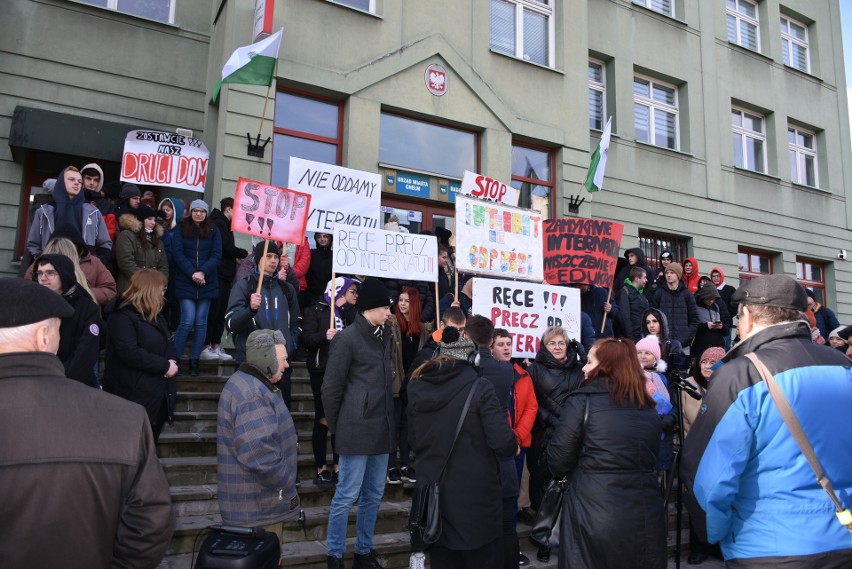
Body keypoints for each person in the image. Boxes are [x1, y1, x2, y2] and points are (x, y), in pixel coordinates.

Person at [0, 277, 175, 568]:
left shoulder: (127, 418)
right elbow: (150, 524)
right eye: (59, 330)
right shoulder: (125, 419)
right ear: (44, 336)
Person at [682, 275, 852, 568]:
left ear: (747, 316)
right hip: (844, 537)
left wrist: (718, 535)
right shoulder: (844, 366)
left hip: (767, 546)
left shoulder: (740, 374)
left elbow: (708, 480)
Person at [547, 338, 667, 569]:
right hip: (644, 512)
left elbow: (558, 460)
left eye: (589, 361)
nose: (583, 367)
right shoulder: (649, 408)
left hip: (591, 511)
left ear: (605, 365)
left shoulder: (582, 401)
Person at [407, 327, 518, 568]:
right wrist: (514, 446)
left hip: (434, 499)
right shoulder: (481, 387)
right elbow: (503, 442)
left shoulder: (416, 387)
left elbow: (413, 441)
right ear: (473, 360)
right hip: (475, 502)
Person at [321, 278, 395, 569]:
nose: (389, 312)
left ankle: (364, 551)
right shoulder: (348, 338)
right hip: (356, 427)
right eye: (385, 307)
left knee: (374, 494)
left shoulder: (385, 333)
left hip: (382, 425)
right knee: (347, 494)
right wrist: (338, 427)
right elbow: (331, 387)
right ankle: (335, 554)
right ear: (370, 308)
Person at [217, 329, 301, 537]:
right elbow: (260, 455)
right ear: (267, 359)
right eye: (282, 359)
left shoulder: (251, 384)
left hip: (256, 506)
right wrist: (288, 481)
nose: (287, 365)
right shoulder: (253, 394)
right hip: (257, 511)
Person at [526, 326, 585, 561]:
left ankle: (568, 538)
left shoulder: (579, 368)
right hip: (546, 436)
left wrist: (586, 353)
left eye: (562, 343)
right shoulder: (535, 369)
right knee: (544, 488)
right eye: (553, 343)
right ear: (545, 346)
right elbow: (531, 402)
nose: (558, 347)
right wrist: (552, 419)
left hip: (574, 436)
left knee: (571, 490)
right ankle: (544, 540)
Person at [466, 316, 520, 568]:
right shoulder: (503, 369)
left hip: (480, 456)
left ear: (466, 336)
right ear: (490, 341)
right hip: (501, 452)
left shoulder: (467, 369)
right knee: (506, 524)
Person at [104, 269, 178, 442]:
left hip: (156, 396)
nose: (163, 293)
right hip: (131, 397)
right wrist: (164, 365)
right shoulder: (121, 316)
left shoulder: (156, 317)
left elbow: (168, 344)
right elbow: (128, 351)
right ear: (150, 290)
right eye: (162, 289)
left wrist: (172, 360)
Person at [301, 276, 360, 488]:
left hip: (343, 371)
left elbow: (359, 330)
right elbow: (305, 339)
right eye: (352, 291)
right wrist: (323, 336)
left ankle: (337, 465)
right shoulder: (316, 310)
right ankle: (321, 468)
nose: (356, 295)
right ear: (340, 291)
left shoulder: (348, 313)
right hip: (321, 370)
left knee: (340, 419)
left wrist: (347, 310)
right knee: (324, 419)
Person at [226, 241, 300, 408]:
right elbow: (230, 324)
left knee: (281, 419)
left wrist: (291, 344)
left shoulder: (287, 289)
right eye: (268, 256)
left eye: (276, 256)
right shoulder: (244, 286)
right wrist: (249, 310)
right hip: (252, 366)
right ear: (258, 260)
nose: (273, 260)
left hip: (281, 366)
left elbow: (296, 322)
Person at [33, 253, 102, 388]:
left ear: (64, 274)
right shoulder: (34, 302)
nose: (43, 278)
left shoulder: (86, 307)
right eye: (39, 273)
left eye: (50, 273)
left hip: (71, 384)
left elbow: (85, 353)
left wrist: (61, 379)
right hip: (36, 381)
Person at [171, 199, 222, 375]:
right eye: (195, 210)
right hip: (186, 281)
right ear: (190, 212)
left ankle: (195, 361)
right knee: (187, 320)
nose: (198, 214)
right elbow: (178, 253)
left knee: (201, 322)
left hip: (207, 282)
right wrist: (193, 273)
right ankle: (175, 358)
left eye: (202, 211)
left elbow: (217, 255)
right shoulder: (181, 227)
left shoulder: (214, 230)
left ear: (206, 213)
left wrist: (203, 273)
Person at [387, 286, 431, 485]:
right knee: (393, 426)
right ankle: (390, 467)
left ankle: (404, 465)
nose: (402, 304)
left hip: (412, 384)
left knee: (407, 426)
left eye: (406, 301)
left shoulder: (421, 329)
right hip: (396, 383)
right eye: (400, 300)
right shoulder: (391, 323)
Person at [27, 166, 112, 265]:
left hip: (83, 271)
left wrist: (95, 264)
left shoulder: (93, 212)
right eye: (71, 179)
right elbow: (33, 244)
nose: (76, 183)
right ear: (61, 182)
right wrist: (43, 262)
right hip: (51, 269)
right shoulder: (43, 212)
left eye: (80, 181)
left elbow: (105, 244)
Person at [201, 198, 248, 361]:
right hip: (218, 274)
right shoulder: (218, 223)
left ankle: (215, 344)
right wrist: (243, 253)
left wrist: (235, 257)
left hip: (225, 274)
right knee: (214, 311)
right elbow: (225, 247)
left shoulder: (224, 224)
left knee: (221, 311)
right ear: (228, 209)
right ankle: (206, 345)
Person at [24, 225, 116, 307]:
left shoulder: (93, 262)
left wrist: (84, 292)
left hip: (84, 313)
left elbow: (110, 290)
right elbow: (27, 286)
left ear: (77, 247)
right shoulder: (42, 261)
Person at [635, 337, 676, 475]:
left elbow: (674, 405)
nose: (642, 356)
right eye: (639, 352)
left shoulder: (663, 379)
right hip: (640, 435)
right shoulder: (630, 377)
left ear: (655, 358)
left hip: (662, 433)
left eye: (647, 353)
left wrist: (670, 418)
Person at [114, 204, 169, 296]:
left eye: (154, 220)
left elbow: (163, 266)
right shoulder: (126, 235)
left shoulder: (157, 241)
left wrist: (160, 283)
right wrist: (146, 281)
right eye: (149, 219)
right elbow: (126, 263)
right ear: (140, 219)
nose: (153, 223)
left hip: (153, 292)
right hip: (130, 289)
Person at [650, 262, 699, 354]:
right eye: (667, 273)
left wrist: (688, 336)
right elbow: (653, 316)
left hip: (683, 343)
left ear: (678, 275)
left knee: (681, 368)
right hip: (662, 342)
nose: (668, 275)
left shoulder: (687, 294)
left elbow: (694, 318)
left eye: (672, 273)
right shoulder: (659, 293)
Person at [691, 284, 731, 362]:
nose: (711, 301)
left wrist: (721, 326)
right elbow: (692, 327)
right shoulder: (695, 307)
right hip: (701, 347)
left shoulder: (717, 307)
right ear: (703, 297)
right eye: (709, 299)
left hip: (717, 346)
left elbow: (726, 329)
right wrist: (706, 326)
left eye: (713, 299)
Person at [617, 266, 650, 341]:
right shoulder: (625, 292)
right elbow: (624, 317)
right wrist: (631, 338)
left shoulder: (641, 294)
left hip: (642, 336)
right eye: (644, 278)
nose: (646, 280)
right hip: (633, 338)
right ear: (637, 279)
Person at [306, 232, 334, 307]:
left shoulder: (335, 256)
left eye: (325, 236)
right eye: (319, 237)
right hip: (311, 299)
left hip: (330, 299)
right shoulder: (310, 254)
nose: (322, 239)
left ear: (330, 239)